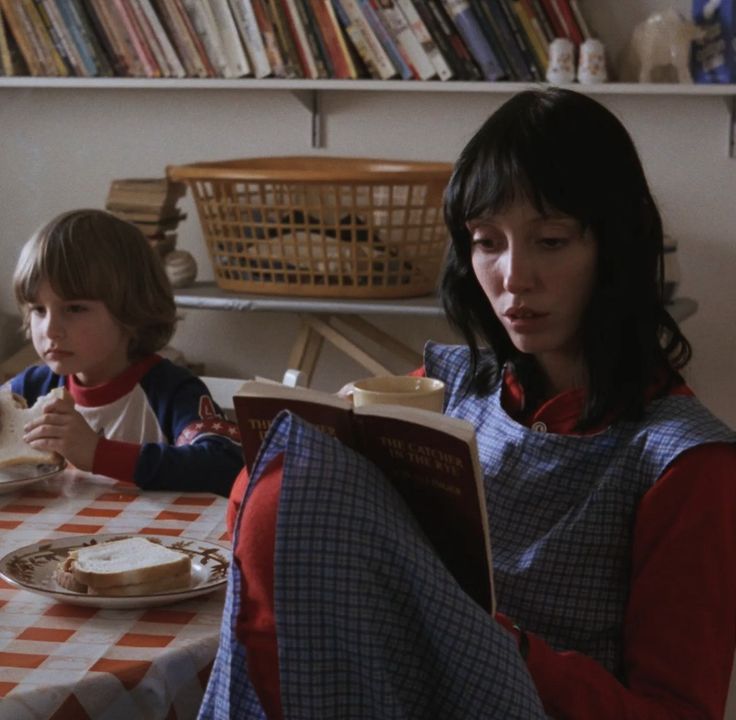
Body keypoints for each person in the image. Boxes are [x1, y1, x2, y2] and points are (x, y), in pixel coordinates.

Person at [201, 88, 736, 719]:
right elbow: (264, 528)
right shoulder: (446, 386)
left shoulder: (685, 462)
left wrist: (493, 642)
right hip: (398, 691)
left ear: (614, 246)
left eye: (553, 241)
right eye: (487, 241)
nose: (513, 277)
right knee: (294, 478)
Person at [4, 209, 242, 496]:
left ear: (132, 310)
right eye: (38, 310)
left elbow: (226, 465)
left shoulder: (171, 391)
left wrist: (97, 453)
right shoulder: (31, 387)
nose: (51, 329)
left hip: (159, 538)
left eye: (75, 308)